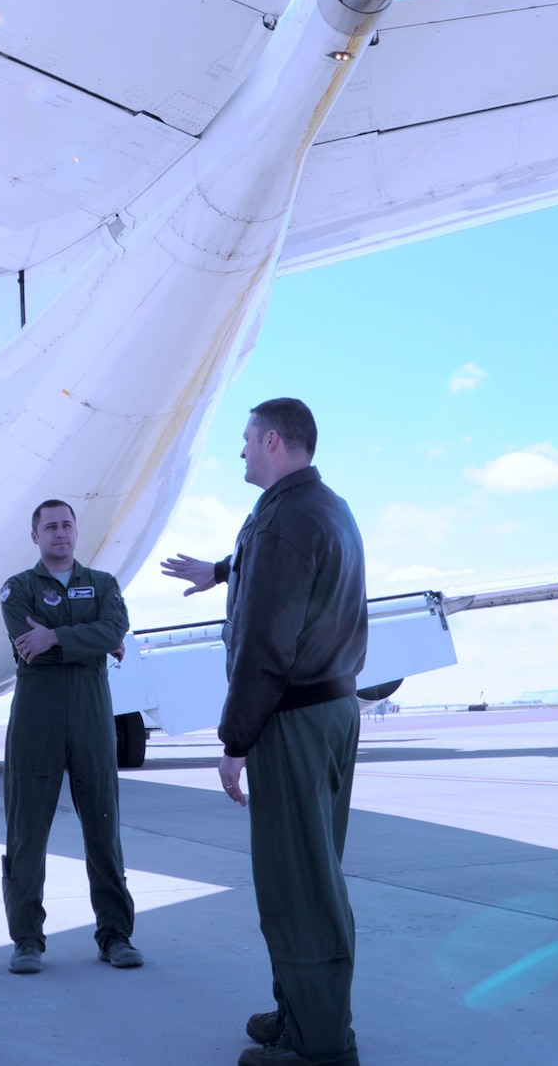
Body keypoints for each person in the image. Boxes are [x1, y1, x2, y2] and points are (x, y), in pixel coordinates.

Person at [161, 398, 367, 1066]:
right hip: (333, 709)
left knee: (296, 883)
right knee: (312, 870)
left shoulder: (283, 521)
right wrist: (221, 570)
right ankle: (301, 1011)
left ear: (274, 440)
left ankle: (321, 1046)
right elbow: (284, 570)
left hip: (292, 717)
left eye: (247, 440)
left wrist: (234, 740)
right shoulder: (325, 507)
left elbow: (264, 643)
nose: (241, 452)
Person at [0, 499, 141, 975]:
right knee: (26, 832)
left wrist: (56, 638)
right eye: (50, 526)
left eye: (67, 525)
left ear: (77, 533)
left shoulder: (102, 584)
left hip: (91, 715)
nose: (60, 533)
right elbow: (27, 645)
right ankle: (26, 940)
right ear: (35, 536)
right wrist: (94, 639)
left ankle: (115, 935)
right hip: (36, 717)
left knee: (104, 827)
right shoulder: (17, 588)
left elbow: (116, 628)